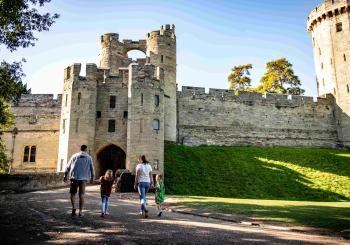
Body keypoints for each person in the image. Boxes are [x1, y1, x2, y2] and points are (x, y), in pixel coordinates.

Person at [64, 145, 95, 217]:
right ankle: (80, 212)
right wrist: (92, 178)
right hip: (83, 179)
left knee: (72, 194)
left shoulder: (74, 156)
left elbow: (68, 166)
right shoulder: (89, 157)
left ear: (80, 149)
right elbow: (92, 168)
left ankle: (73, 207)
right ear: (86, 150)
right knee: (81, 195)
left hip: (74, 178)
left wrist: (65, 175)